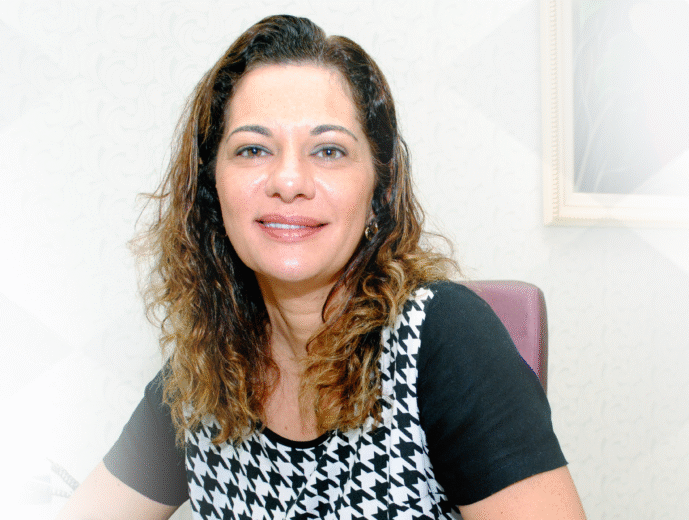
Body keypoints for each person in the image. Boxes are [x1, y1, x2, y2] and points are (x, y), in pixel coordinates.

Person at [59, 14, 586, 520]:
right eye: (253, 150)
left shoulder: (443, 337)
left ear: (378, 189)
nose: (289, 181)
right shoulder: (204, 370)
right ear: (211, 187)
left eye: (329, 151)